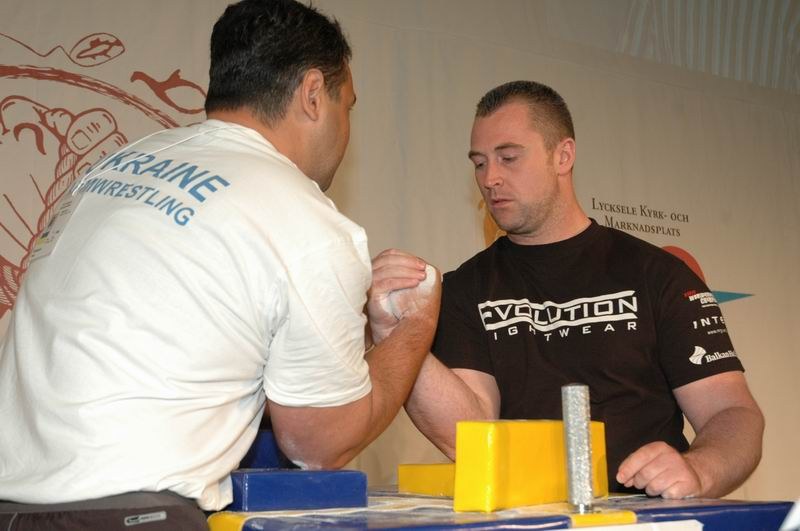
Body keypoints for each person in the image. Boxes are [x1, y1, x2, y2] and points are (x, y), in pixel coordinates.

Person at [0, 0, 439, 527]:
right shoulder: (304, 219)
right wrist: (413, 330)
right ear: (315, 94)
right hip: (125, 513)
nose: (347, 129)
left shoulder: (113, 167)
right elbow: (319, 443)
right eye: (349, 105)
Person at [405, 80, 764, 499]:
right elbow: (470, 432)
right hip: (529, 522)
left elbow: (733, 412)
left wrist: (698, 470)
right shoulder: (466, 288)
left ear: (563, 155)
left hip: (645, 518)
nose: (490, 178)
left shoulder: (657, 274)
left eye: (508, 157)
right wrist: (401, 333)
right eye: (479, 163)